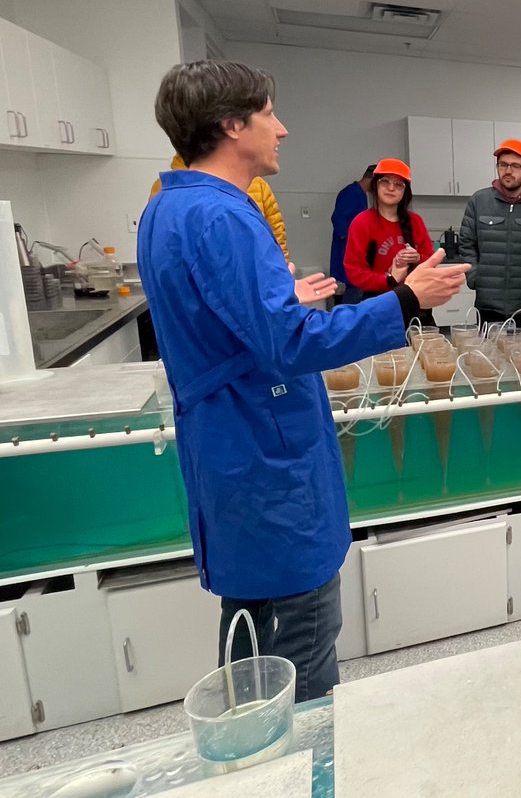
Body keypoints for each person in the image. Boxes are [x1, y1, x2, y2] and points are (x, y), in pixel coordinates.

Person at [138, 60, 466, 702]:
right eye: (268, 113)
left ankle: (254, 761)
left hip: (231, 447)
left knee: (251, 638)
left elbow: (220, 316)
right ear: (233, 125)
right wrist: (405, 300)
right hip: (266, 451)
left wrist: (273, 297)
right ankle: (306, 772)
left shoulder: (169, 206)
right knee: (301, 647)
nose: (282, 129)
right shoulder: (226, 217)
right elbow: (289, 344)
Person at [459, 138, 521, 323]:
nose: (508, 171)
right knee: (487, 351)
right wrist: (474, 276)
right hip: (487, 305)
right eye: (503, 165)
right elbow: (466, 244)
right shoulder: (479, 201)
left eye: (515, 166)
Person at [150, 152, 289, 258]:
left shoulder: (257, 185)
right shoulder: (166, 190)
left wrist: (284, 279)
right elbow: (162, 249)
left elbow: (277, 241)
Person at [343, 158, 434, 300]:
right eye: (385, 181)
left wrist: (417, 258)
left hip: (414, 299)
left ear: (405, 191)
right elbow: (354, 270)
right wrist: (389, 279)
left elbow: (431, 261)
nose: (391, 188)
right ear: (375, 185)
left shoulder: (415, 221)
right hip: (376, 302)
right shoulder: (362, 222)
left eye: (398, 184)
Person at [330, 164, 375, 302]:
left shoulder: (361, 195)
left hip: (358, 265)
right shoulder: (350, 194)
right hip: (349, 267)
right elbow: (340, 225)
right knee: (350, 309)